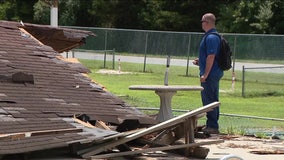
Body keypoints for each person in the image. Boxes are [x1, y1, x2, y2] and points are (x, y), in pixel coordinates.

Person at [193, 13, 223, 134]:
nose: (201, 24)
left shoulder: (211, 37)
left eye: (202, 21)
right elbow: (210, 57)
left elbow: (211, 56)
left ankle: (212, 126)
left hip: (210, 74)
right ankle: (212, 124)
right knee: (212, 99)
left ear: (208, 22)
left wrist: (205, 74)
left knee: (209, 100)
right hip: (213, 72)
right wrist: (201, 62)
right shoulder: (212, 37)